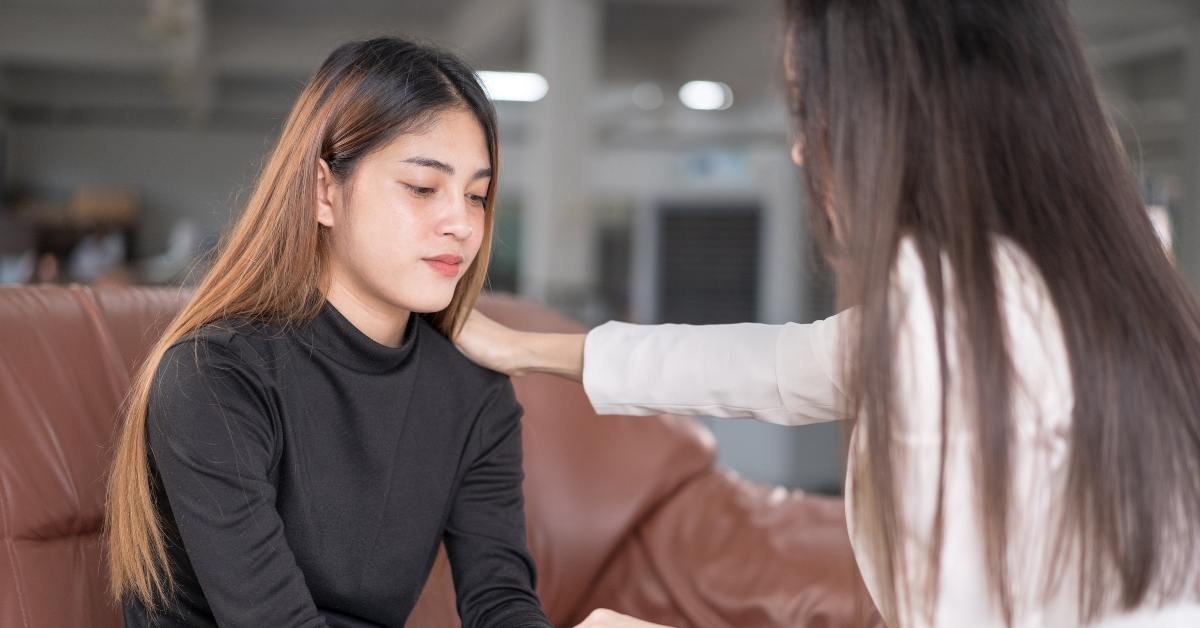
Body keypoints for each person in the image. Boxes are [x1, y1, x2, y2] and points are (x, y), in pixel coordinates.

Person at [456, 1, 1200, 627]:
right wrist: (521, 349)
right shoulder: (1076, 272)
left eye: (811, 106)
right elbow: (778, 367)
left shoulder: (946, 309)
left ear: (895, 109)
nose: (803, 150)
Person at [106, 38, 551, 628]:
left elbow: (501, 602)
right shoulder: (215, 375)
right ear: (323, 191)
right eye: (422, 187)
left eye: (477, 195)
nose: (462, 224)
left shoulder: (475, 391)